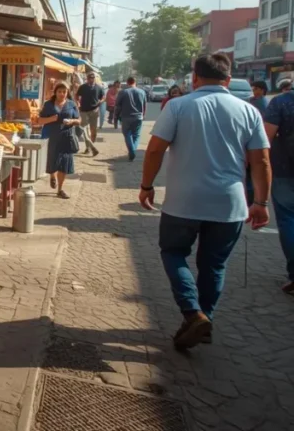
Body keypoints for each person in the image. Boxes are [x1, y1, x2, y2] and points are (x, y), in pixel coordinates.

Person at [139, 53, 270, 350]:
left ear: (194, 77)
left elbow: (155, 150)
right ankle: (204, 318)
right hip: (230, 205)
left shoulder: (178, 106)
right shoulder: (248, 111)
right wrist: (261, 202)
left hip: (182, 202)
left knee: (173, 252)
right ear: (228, 79)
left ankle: (193, 313)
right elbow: (261, 160)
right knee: (214, 266)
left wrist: (147, 186)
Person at [261, 85, 294, 295]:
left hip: (284, 170)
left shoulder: (282, 102)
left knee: (289, 219)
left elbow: (266, 138)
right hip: (283, 171)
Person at [36, 83, 81, 199]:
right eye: (60, 91)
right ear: (55, 92)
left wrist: (71, 122)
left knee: (64, 164)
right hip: (53, 136)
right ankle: (52, 176)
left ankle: (60, 189)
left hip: (67, 137)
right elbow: (40, 120)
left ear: (67, 93)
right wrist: (51, 118)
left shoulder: (71, 105)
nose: (62, 94)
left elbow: (79, 120)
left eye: (64, 92)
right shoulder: (49, 105)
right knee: (53, 160)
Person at [114, 77, 147, 162]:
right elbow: (144, 105)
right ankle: (133, 151)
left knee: (127, 134)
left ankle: (132, 152)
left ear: (127, 83)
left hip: (126, 117)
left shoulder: (123, 92)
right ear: (135, 82)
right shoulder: (142, 92)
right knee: (136, 135)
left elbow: (117, 106)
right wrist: (143, 115)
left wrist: (116, 117)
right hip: (138, 117)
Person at [75, 72, 105, 149]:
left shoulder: (99, 87)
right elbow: (77, 95)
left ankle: (92, 146)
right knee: (84, 129)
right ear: (87, 79)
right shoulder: (83, 87)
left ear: (95, 78)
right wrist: (78, 103)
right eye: (90, 78)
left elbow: (103, 97)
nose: (91, 79)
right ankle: (88, 147)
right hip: (83, 110)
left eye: (93, 78)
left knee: (93, 130)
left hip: (94, 110)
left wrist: (100, 101)